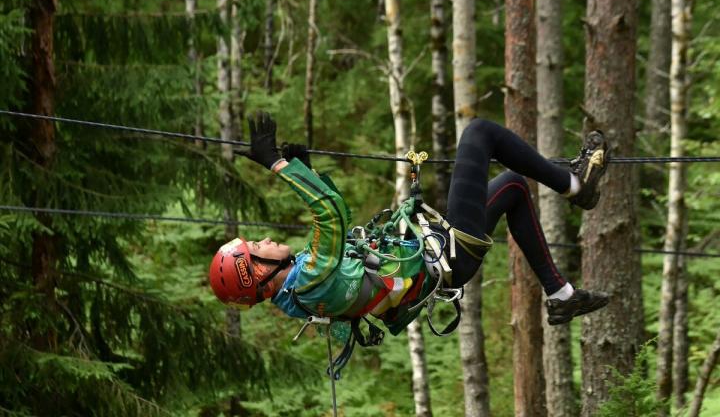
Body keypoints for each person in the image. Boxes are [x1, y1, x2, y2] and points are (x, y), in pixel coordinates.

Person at [208, 112, 609, 333]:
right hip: (445, 254)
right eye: (256, 248)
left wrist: (307, 171)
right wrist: (277, 164)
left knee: (513, 187)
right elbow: (328, 213)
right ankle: (578, 186)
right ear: (258, 272)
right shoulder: (308, 278)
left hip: (440, 256)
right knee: (479, 133)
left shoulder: (304, 291)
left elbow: (342, 235)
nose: (263, 240)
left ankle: (561, 296)